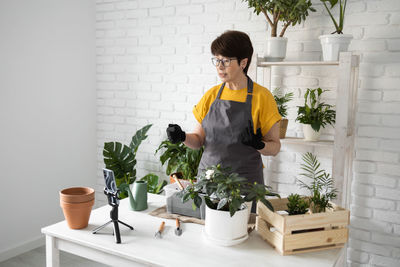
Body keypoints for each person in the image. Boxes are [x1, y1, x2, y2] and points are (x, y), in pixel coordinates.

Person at [166, 30, 281, 210]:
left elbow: (275, 147)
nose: (220, 66)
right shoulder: (211, 95)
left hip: (244, 186)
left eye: (226, 61)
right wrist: (182, 136)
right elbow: (198, 140)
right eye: (217, 60)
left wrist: (258, 144)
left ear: (243, 62)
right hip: (209, 183)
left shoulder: (262, 97)